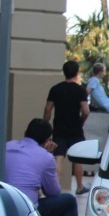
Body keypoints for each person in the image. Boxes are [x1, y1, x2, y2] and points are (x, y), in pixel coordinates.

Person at [4, 118, 79, 216]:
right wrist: (47, 155)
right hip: (27, 214)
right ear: (47, 141)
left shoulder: (7, 146)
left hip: (3, 208)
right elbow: (53, 192)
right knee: (69, 201)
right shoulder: (45, 157)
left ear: (25, 133)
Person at [43, 60, 90, 195]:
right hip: (75, 128)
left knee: (58, 157)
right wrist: (81, 122)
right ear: (76, 73)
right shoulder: (80, 90)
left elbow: (48, 109)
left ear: (64, 72)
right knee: (78, 158)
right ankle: (80, 186)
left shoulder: (55, 89)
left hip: (59, 127)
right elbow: (86, 111)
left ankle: (56, 187)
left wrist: (46, 125)